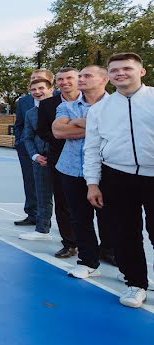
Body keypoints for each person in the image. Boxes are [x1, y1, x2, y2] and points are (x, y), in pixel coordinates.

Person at [85, 52, 154, 308]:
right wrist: (93, 183)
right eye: (115, 70)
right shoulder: (100, 109)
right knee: (125, 234)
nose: (120, 73)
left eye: (127, 68)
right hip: (116, 176)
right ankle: (135, 283)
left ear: (141, 71)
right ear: (109, 76)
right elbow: (92, 148)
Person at [52, 64, 115, 277]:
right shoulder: (67, 105)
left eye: (87, 75)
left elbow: (115, 131)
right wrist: (95, 127)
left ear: (103, 79)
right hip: (71, 169)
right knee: (79, 218)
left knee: (112, 218)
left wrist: (79, 124)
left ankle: (123, 262)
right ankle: (88, 262)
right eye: (80, 75)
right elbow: (58, 131)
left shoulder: (115, 105)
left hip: (107, 170)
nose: (81, 79)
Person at [36, 68, 79, 258]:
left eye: (69, 78)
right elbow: (44, 131)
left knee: (101, 205)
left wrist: (69, 132)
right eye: (61, 79)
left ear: (79, 80)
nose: (65, 82)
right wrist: (67, 137)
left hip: (94, 159)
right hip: (59, 158)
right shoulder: (47, 105)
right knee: (63, 203)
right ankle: (70, 243)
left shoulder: (94, 102)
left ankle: (107, 248)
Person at [13, 69, 55, 226]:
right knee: (30, 182)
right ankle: (32, 214)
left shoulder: (59, 100)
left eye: (40, 80)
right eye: (33, 80)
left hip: (53, 152)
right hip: (29, 150)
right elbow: (20, 125)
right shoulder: (24, 102)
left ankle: (58, 224)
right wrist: (20, 143)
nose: (36, 85)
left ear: (50, 84)